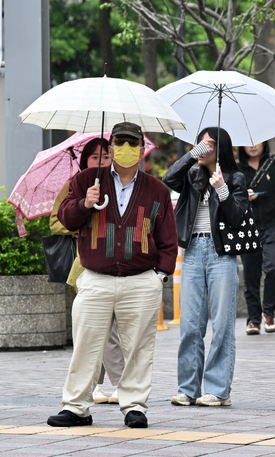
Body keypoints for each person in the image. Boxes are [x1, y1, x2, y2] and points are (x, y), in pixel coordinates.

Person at [47, 122, 178, 429]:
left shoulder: (157, 189)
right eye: (120, 142)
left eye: (132, 143)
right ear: (111, 148)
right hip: (95, 276)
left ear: (142, 150)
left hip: (141, 279)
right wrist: (84, 203)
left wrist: (160, 275)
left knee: (138, 348)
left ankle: (134, 405)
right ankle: (76, 406)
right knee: (86, 345)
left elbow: (168, 238)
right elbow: (65, 218)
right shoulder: (85, 181)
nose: (126, 148)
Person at [163, 127, 249, 408]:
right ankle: (187, 388)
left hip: (220, 254)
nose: (203, 147)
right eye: (200, 143)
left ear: (222, 147)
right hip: (191, 253)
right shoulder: (191, 175)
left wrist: (222, 188)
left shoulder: (235, 178)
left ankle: (218, 390)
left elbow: (237, 218)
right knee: (189, 325)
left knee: (222, 324)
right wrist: (192, 154)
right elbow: (169, 178)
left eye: (209, 144)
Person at [51, 138, 126, 405]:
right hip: (85, 265)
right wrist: (81, 215)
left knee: (102, 330)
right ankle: (119, 384)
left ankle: (94, 386)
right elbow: (56, 220)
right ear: (85, 161)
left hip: (117, 264)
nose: (100, 161)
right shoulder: (77, 184)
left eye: (105, 156)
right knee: (102, 329)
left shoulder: (120, 185)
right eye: (94, 157)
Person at [238, 141, 275, 335]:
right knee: (251, 275)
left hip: (273, 226)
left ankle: (269, 312)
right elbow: (227, 196)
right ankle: (254, 319)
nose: (253, 146)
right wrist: (243, 196)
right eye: (247, 142)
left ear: (265, 142)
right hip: (247, 227)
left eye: (257, 141)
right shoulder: (237, 168)